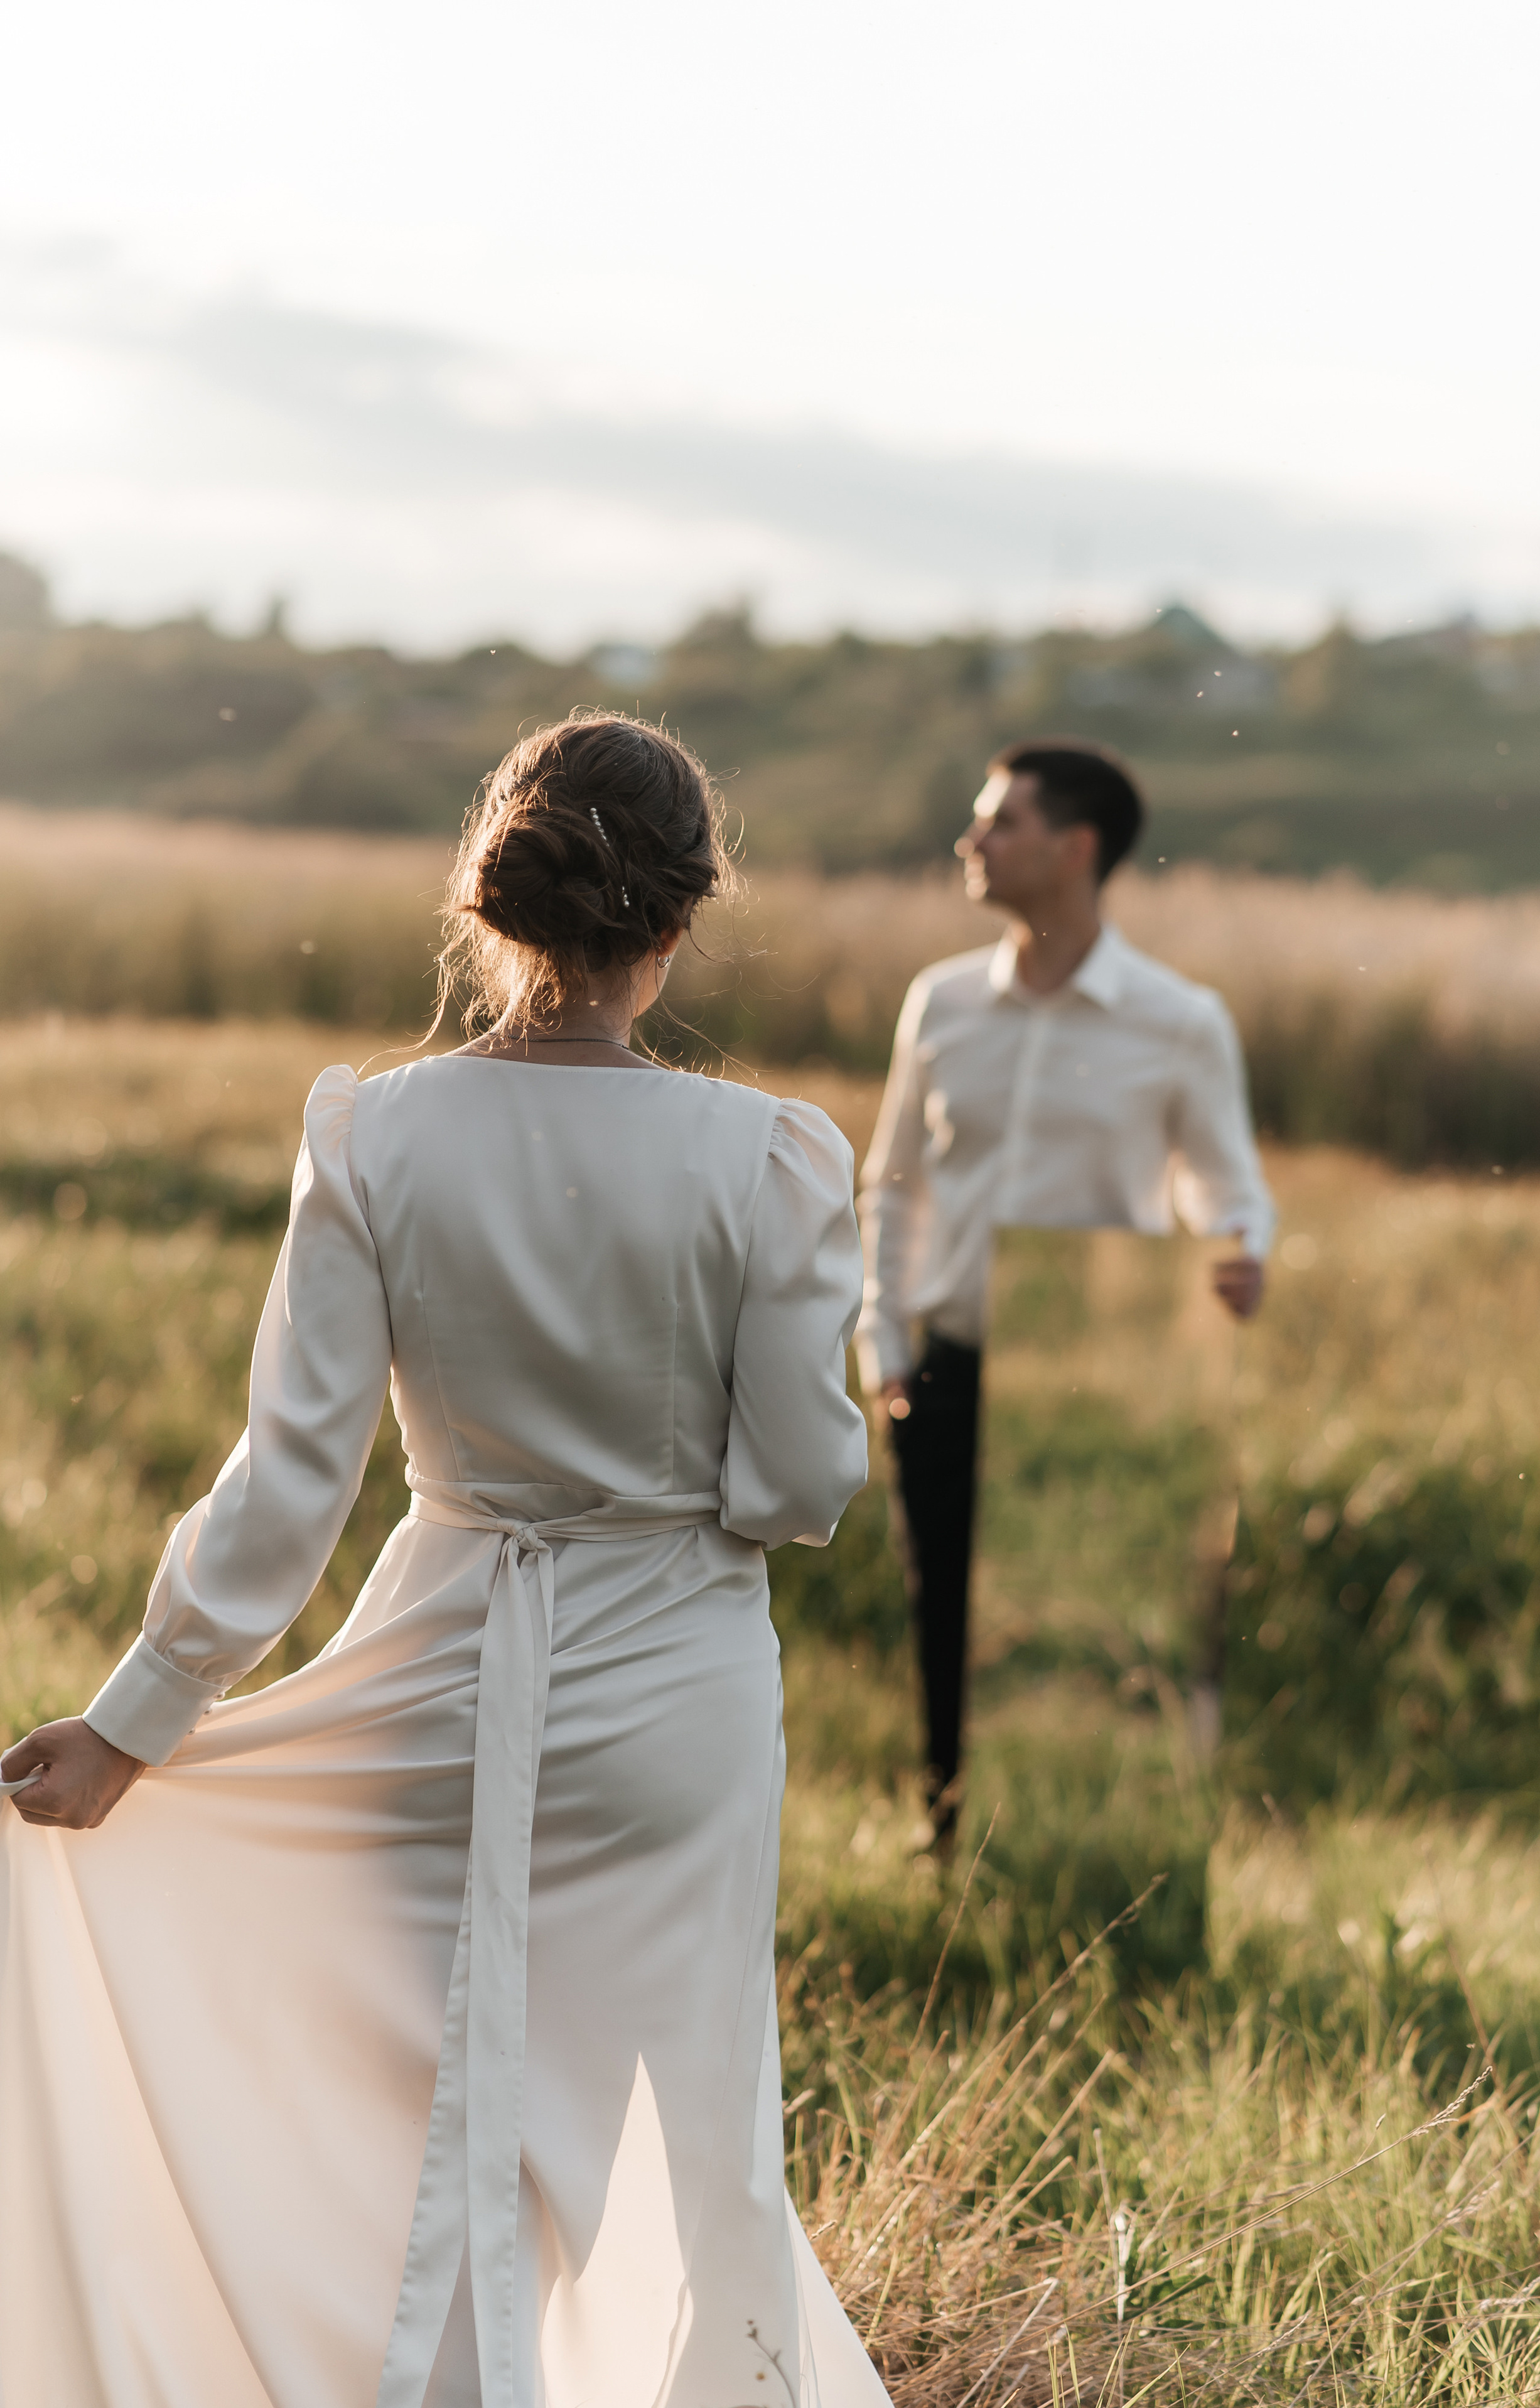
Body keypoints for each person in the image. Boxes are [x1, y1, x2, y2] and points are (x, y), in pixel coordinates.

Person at [0, 713, 892, 2408]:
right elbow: (796, 1485)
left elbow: (291, 1479)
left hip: (435, 1662)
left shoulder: (375, 1135)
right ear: (681, 922)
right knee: (693, 2122)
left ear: (488, 904)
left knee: (427, 2116)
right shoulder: (768, 1157)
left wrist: (137, 1717)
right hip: (674, 1698)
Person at [856, 738, 1275, 1852]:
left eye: (1000, 821)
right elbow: (891, 1186)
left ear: (1076, 846)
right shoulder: (938, 1003)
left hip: (1100, 1386)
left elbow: (1225, 1191)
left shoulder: (1180, 1020)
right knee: (942, 1611)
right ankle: (951, 1845)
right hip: (946, 1367)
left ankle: (1099, 1853)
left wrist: (1241, 1250)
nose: (973, 841)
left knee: (1104, 1635)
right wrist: (884, 1342)